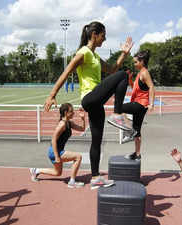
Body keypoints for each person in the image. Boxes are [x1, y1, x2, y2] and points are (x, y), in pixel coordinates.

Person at [44, 21, 134, 189]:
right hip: (89, 98)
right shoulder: (83, 53)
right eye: (103, 35)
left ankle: (95, 177)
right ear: (95, 34)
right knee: (123, 76)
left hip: (96, 103)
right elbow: (66, 72)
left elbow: (113, 69)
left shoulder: (95, 56)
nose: (104, 39)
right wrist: (52, 95)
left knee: (96, 141)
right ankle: (117, 114)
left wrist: (124, 54)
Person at [29, 103, 86, 189]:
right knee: (78, 157)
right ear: (66, 112)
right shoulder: (62, 124)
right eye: (71, 111)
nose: (73, 113)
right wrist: (57, 156)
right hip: (55, 152)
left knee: (57, 173)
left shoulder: (69, 123)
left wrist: (83, 118)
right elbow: (53, 140)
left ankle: (36, 170)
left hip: (57, 151)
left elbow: (82, 129)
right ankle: (72, 182)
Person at [122, 50, 155, 161]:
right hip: (140, 104)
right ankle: (137, 154)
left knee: (119, 108)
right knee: (137, 131)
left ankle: (128, 130)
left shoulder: (144, 72)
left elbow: (151, 87)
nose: (134, 64)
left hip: (141, 104)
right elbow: (134, 88)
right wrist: (130, 79)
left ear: (142, 62)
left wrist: (151, 103)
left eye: (136, 62)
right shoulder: (139, 73)